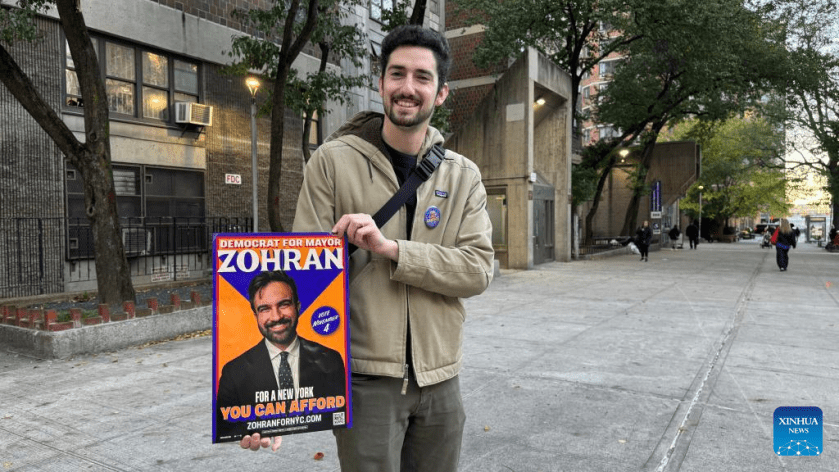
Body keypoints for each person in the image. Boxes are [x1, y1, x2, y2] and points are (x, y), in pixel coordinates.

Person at [241, 25, 495, 470]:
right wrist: (273, 405)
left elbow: (476, 271)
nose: (407, 87)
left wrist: (393, 249)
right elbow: (299, 281)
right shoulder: (333, 162)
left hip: (441, 382)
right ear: (381, 84)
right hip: (365, 383)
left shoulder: (463, 175)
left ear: (441, 94)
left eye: (422, 77)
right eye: (397, 74)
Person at [216, 270, 346, 442]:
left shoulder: (331, 359)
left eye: (284, 304)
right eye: (264, 309)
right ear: (255, 315)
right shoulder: (233, 372)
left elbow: (338, 414)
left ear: (297, 307)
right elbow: (227, 427)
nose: (276, 317)